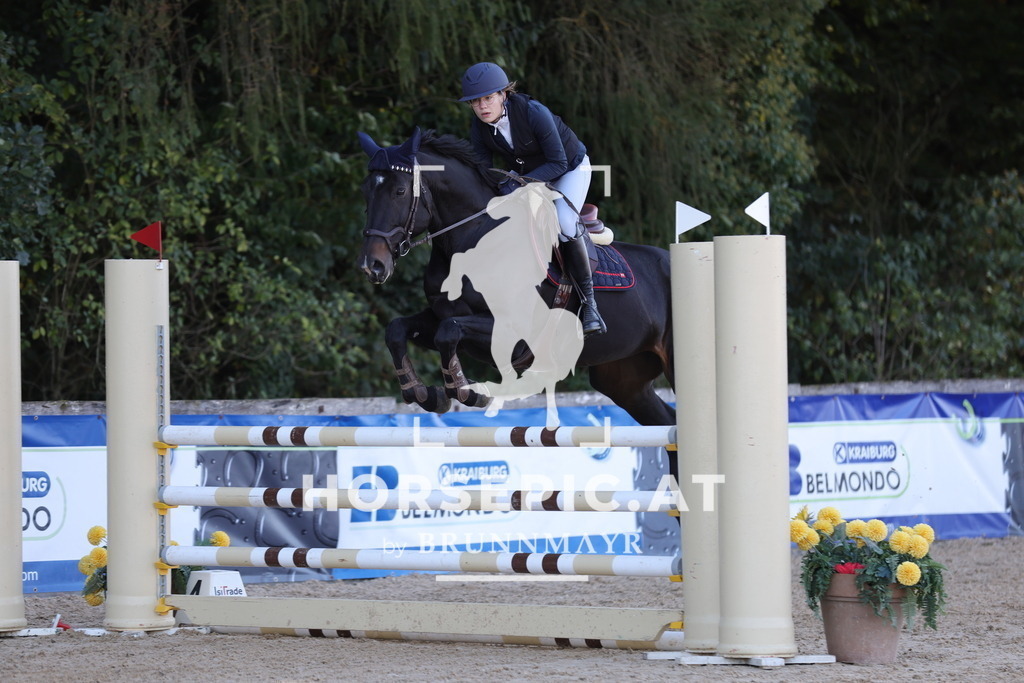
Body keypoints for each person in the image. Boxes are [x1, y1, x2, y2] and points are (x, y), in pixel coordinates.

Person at [458, 61, 606, 336]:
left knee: (564, 220)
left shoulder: (534, 113)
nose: (482, 107)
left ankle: (589, 304)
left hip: (569, 168)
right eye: (475, 102)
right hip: (529, 173)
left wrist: (518, 185)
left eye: (488, 98)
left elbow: (558, 163)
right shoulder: (479, 127)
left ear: (504, 94)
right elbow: (482, 169)